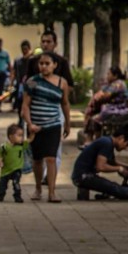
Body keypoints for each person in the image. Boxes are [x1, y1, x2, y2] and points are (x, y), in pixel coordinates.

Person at [21, 51, 70, 203]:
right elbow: (25, 105)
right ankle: (38, 188)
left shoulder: (62, 83)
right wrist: (30, 124)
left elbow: (65, 103)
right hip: (36, 126)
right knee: (37, 159)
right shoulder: (32, 82)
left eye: (47, 63)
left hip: (53, 125)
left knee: (51, 158)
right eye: (41, 64)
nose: (43, 67)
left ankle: (52, 192)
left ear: (55, 65)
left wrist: (67, 123)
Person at [27, 30, 74, 180]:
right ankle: (39, 181)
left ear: (55, 43)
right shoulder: (33, 62)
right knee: (37, 152)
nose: (46, 44)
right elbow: (28, 86)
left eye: (49, 41)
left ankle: (50, 178)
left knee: (54, 149)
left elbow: (69, 86)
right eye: (43, 41)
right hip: (35, 110)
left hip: (55, 109)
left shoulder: (62, 62)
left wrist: (55, 92)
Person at [72, 124, 128, 202]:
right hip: (83, 176)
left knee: (112, 186)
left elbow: (112, 162)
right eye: (127, 144)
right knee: (113, 188)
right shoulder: (106, 143)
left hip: (85, 175)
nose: (125, 148)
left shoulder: (108, 142)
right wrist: (119, 169)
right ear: (121, 138)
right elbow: (101, 166)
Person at [82, 66, 128, 146]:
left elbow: (106, 95)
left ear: (115, 75)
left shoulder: (118, 84)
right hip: (110, 108)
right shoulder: (111, 84)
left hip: (117, 110)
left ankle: (96, 141)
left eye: (109, 74)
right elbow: (101, 93)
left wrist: (98, 96)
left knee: (95, 119)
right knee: (91, 114)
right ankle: (89, 140)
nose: (107, 76)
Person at [0, 124, 28, 203]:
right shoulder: (4, 146)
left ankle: (17, 196)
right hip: (6, 170)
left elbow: (30, 140)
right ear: (11, 136)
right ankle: (1, 195)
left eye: (22, 135)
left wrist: (33, 132)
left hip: (17, 169)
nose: (21, 138)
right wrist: (0, 162)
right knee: (3, 184)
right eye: (19, 135)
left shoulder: (21, 145)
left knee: (16, 183)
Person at [11, 40, 33, 126]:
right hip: (20, 84)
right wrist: (11, 83)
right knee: (19, 102)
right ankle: (20, 119)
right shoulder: (18, 60)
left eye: (26, 49)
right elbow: (14, 72)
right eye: (23, 49)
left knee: (30, 101)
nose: (24, 51)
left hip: (31, 82)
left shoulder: (32, 59)